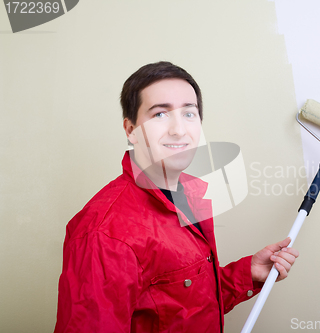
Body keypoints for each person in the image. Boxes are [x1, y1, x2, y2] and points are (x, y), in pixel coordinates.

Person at [54, 61, 299, 332]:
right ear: (130, 130)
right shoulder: (104, 234)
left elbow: (185, 305)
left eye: (189, 114)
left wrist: (247, 274)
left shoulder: (193, 192)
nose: (179, 130)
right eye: (160, 114)